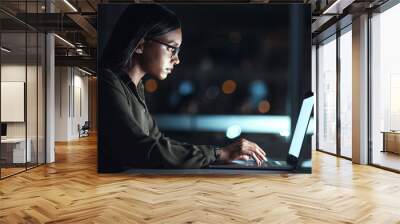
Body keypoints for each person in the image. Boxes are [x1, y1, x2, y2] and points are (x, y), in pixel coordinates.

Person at [98, 4, 267, 172]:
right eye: (171, 49)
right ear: (141, 44)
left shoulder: (135, 88)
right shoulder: (107, 83)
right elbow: (138, 148)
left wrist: (218, 154)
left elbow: (158, 141)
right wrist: (219, 154)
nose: (176, 59)